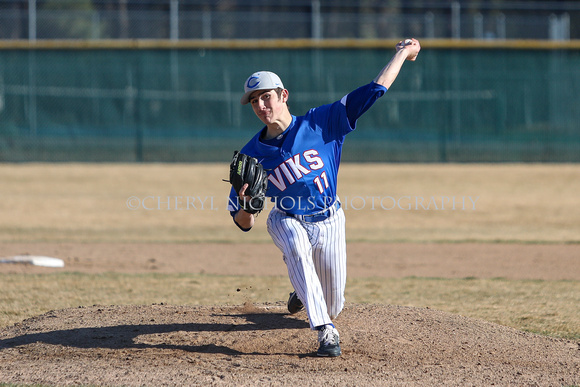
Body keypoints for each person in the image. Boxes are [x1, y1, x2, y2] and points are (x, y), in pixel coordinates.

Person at [227, 39, 421, 357]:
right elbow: (242, 222)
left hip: (330, 219)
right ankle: (325, 332)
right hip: (286, 218)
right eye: (254, 102)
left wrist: (402, 53)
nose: (262, 106)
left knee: (334, 304)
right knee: (295, 246)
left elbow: (376, 89)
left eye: (266, 97)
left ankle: (304, 295)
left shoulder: (322, 122)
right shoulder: (251, 156)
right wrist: (247, 206)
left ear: (283, 96)